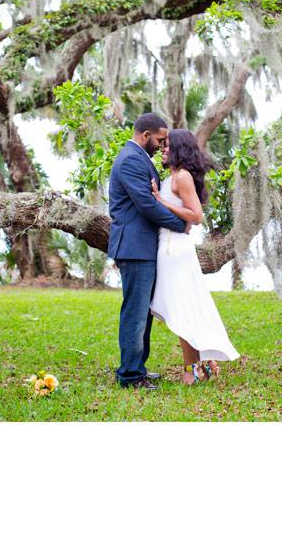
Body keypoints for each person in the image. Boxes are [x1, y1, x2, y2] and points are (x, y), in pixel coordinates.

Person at [150, 129, 240, 385]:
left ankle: (192, 370)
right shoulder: (171, 178)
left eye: (167, 146)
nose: (163, 149)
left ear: (179, 148)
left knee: (182, 312)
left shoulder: (183, 177)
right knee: (181, 311)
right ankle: (204, 363)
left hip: (177, 250)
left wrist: (161, 202)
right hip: (166, 249)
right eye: (163, 145)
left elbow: (196, 215)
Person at [108, 113, 187, 389]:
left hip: (142, 247)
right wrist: (180, 224)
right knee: (135, 312)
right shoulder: (130, 160)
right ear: (145, 135)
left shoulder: (140, 159)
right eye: (160, 139)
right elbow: (146, 205)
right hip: (134, 247)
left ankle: (137, 367)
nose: (162, 144)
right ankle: (130, 375)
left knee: (143, 313)